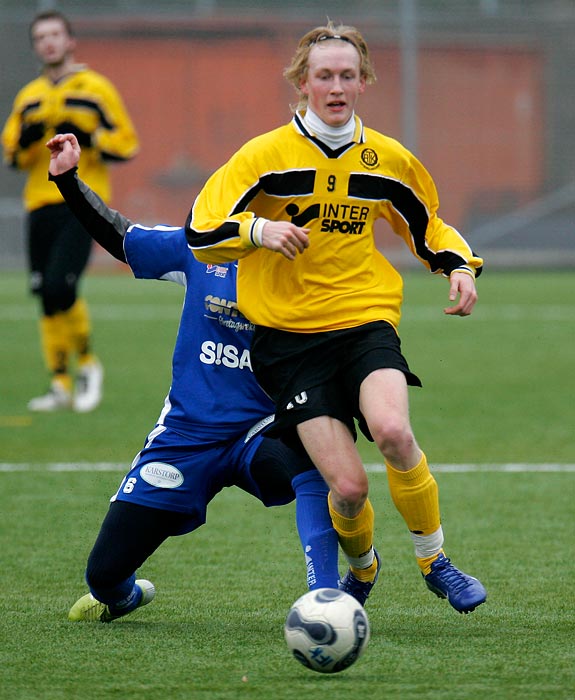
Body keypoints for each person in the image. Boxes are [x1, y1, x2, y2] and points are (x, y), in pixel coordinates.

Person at [185, 22, 487, 613]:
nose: (336, 86)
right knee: (348, 488)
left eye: (348, 75)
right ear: (302, 82)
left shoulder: (386, 159)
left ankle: (435, 561)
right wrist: (258, 230)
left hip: (363, 321)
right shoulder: (264, 156)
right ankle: (364, 566)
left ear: (364, 81)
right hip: (288, 342)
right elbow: (201, 231)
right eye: (324, 75)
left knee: (396, 433)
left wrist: (459, 265)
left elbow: (426, 225)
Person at [45, 133, 341, 623]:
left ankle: (328, 601)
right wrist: (68, 181)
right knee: (101, 576)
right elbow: (123, 238)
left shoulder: (305, 267)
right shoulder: (200, 248)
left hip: (259, 430)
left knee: (315, 459)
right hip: (186, 435)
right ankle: (124, 595)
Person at [1, 11, 139, 413]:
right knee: (45, 296)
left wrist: (88, 134)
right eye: (41, 36)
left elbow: (126, 143)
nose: (48, 42)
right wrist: (26, 140)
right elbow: (13, 154)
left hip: (79, 202)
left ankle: (89, 366)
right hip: (38, 203)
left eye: (55, 34)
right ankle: (60, 384)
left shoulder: (95, 89)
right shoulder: (28, 97)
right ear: (35, 46)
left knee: (62, 288)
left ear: (70, 40)